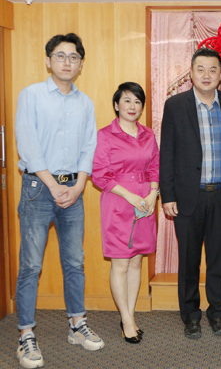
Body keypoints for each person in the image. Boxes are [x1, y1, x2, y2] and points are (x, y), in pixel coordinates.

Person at [15, 33, 104, 368]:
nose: (67, 62)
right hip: (39, 188)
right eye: (60, 56)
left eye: (74, 57)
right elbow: (28, 143)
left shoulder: (85, 103)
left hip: (73, 190)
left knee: (75, 262)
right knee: (31, 265)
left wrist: (79, 185)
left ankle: (77, 325)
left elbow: (89, 146)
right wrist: (53, 186)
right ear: (48, 61)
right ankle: (26, 335)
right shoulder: (32, 95)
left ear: (81, 64)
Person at [160, 47, 221, 339]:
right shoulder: (175, 105)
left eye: (213, 70)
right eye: (201, 69)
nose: (206, 75)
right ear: (191, 73)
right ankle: (190, 315)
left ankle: (217, 314)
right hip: (188, 196)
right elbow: (167, 152)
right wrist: (167, 194)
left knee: (218, 261)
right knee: (189, 261)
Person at [91, 82, 159, 344]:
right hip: (119, 201)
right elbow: (99, 174)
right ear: (116, 105)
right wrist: (129, 195)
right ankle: (127, 320)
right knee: (120, 262)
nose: (132, 106)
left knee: (137, 261)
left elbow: (155, 167)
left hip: (145, 201)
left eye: (137, 101)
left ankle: (129, 315)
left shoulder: (148, 134)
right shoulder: (105, 135)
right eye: (127, 100)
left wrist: (153, 193)